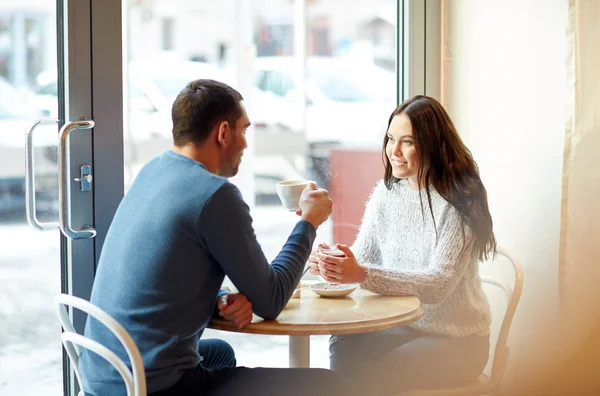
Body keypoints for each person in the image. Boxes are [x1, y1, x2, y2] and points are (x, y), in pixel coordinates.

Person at [78, 79, 356, 396]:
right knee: (330, 386)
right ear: (223, 133)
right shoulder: (215, 195)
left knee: (219, 353)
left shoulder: (152, 171)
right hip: (151, 388)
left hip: (103, 374)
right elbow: (271, 300)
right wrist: (309, 221)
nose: (246, 145)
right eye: (244, 131)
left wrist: (219, 298)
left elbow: (162, 269)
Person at [308, 95, 495, 395]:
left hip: (459, 340)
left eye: (407, 141)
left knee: (384, 372)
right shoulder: (386, 194)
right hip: (406, 327)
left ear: (433, 144)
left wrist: (360, 273)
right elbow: (363, 258)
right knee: (343, 340)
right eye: (390, 139)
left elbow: (439, 285)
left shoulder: (459, 202)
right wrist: (333, 263)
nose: (393, 151)